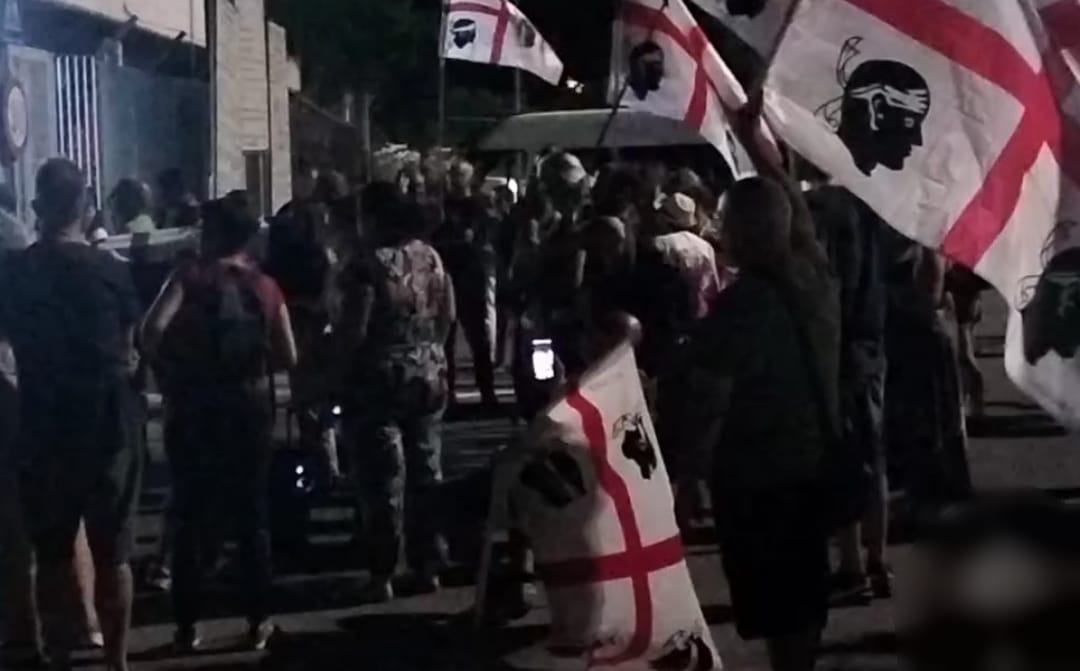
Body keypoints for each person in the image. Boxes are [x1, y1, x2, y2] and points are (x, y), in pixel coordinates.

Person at [674, 102, 838, 671]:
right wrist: (757, 146)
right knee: (806, 599)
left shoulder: (738, 311)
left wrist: (689, 476)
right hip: (816, 467)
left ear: (737, 233)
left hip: (758, 481)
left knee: (777, 608)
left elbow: (710, 403)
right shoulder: (814, 281)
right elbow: (799, 218)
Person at [0, 158, 143, 671]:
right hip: (107, 419)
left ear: (38, 208)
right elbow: (130, 349)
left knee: (54, 553)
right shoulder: (111, 271)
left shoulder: (15, 273)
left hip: (43, 420)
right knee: (113, 552)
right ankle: (117, 661)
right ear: (85, 206)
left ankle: (59, 655)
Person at [141, 194, 297, 653]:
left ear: (213, 234)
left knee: (190, 514)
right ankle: (257, 620)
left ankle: (187, 627)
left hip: (193, 405)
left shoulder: (187, 277)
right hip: (248, 406)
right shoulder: (265, 286)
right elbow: (289, 354)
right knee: (252, 517)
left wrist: (169, 370)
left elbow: (152, 330)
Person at [336, 182, 455, 602]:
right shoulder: (431, 256)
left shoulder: (367, 266)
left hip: (379, 377)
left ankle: (382, 570)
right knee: (426, 469)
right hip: (429, 372)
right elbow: (448, 313)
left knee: (382, 477)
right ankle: (429, 563)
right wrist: (431, 349)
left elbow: (355, 329)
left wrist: (336, 374)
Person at [806, 183, 892, 600]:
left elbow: (833, 283)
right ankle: (875, 559)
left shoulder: (830, 210)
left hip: (842, 350)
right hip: (872, 344)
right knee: (872, 457)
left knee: (844, 458)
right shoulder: (872, 207)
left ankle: (854, 565)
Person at [437, 159, 498, 411]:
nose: (455, 179)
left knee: (478, 338)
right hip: (448, 277)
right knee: (446, 340)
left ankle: (487, 393)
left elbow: (479, 237)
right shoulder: (441, 205)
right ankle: (448, 395)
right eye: (452, 174)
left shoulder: (478, 206)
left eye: (460, 174)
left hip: (471, 276)